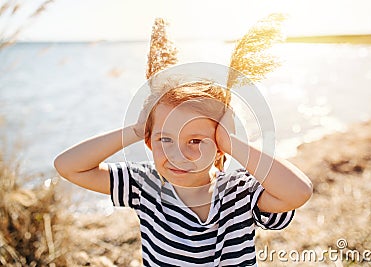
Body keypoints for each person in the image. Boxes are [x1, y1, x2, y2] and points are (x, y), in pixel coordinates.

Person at [54, 76, 313, 266]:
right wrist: (134, 130)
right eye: (165, 140)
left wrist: (232, 143)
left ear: (220, 146)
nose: (177, 155)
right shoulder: (145, 185)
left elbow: (298, 192)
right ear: (149, 141)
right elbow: (69, 167)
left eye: (196, 141)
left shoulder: (240, 191)